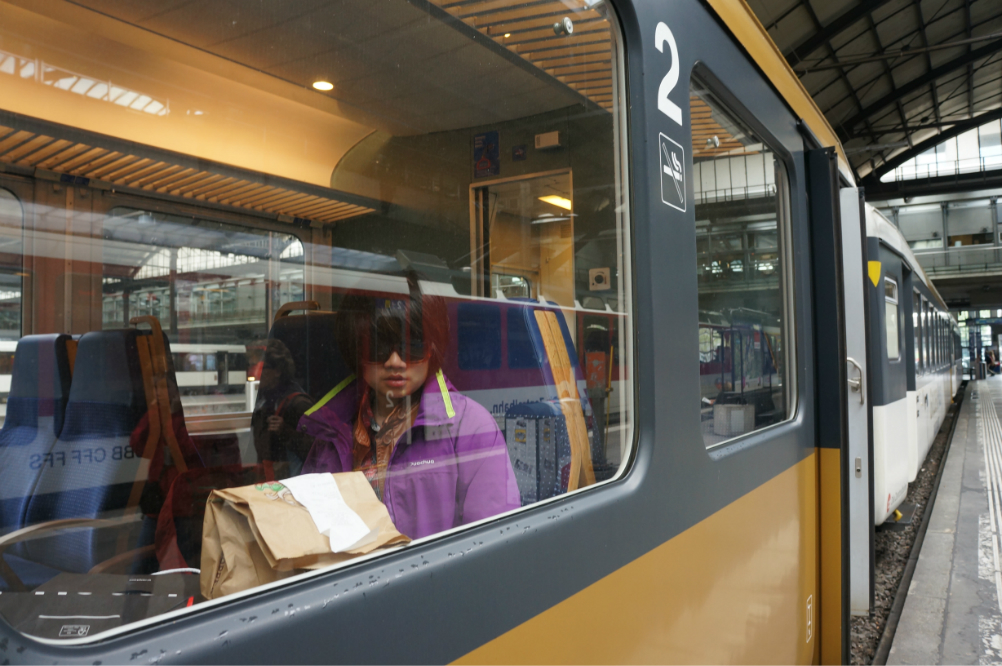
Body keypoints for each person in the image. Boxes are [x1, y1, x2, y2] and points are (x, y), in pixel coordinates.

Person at [297, 279, 520, 540]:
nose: (395, 362)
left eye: (412, 346)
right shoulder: (330, 432)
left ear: (432, 349)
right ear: (356, 350)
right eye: (378, 347)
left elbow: (494, 542)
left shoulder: (471, 428)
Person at [252, 339, 314, 477]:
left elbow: (317, 450)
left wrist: (285, 431)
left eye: (261, 367)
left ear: (277, 371)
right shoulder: (263, 401)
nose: (254, 372)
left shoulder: (298, 403)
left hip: (294, 483)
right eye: (251, 366)